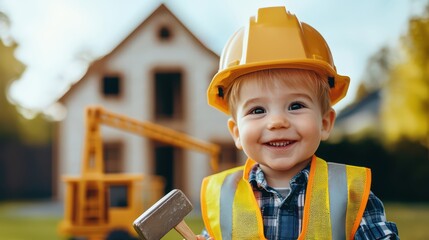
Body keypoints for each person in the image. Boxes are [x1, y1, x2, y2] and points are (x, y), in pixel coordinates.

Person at [198, 5, 399, 240]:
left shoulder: (350, 195)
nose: (277, 122)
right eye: (257, 110)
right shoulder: (223, 198)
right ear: (236, 133)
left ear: (325, 122)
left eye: (296, 106)